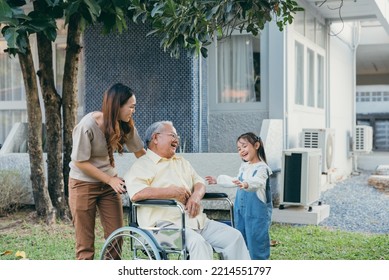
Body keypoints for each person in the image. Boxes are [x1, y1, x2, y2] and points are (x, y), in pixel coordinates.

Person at [124, 121, 251, 260]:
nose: (176, 140)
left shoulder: (181, 162)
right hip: (161, 229)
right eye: (172, 135)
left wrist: (196, 196)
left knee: (234, 237)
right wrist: (171, 192)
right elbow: (136, 194)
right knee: (199, 244)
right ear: (155, 138)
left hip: (196, 221)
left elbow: (199, 182)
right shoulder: (143, 165)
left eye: (177, 136)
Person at [68, 83, 146, 260]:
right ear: (117, 105)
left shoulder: (125, 125)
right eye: (131, 107)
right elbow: (80, 162)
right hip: (83, 185)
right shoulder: (87, 126)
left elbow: (141, 153)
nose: (133, 111)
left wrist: (164, 168)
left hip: (109, 187)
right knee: (85, 245)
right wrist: (110, 180)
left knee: (116, 238)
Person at [205, 132, 272, 260]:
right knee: (239, 241)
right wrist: (218, 180)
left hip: (256, 217)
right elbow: (236, 180)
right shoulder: (244, 166)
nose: (241, 151)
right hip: (240, 214)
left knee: (256, 243)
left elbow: (258, 182)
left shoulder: (263, 168)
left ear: (256, 145)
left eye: (244, 146)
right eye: (239, 149)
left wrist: (246, 184)